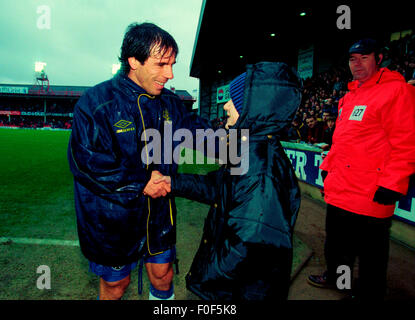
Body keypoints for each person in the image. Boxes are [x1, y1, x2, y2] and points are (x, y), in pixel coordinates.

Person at [68, 22, 212, 300]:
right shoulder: (96, 103)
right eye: (161, 64)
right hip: (113, 218)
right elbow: (87, 163)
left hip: (159, 213)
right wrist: (142, 181)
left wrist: (242, 140)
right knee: (115, 286)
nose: (169, 74)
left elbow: (198, 132)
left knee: (163, 275)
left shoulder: (170, 103)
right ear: (134, 61)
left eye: (172, 64)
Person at [146, 62, 303, 300]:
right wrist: (172, 182)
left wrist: (206, 279)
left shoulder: (260, 168)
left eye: (234, 101)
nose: (226, 106)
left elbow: (250, 246)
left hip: (230, 292)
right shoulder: (252, 148)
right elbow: (218, 188)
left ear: (253, 107)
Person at [307, 38, 415, 300]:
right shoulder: (349, 96)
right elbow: (341, 141)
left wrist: (392, 183)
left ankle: (370, 293)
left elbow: (407, 143)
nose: (357, 64)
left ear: (379, 59)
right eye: (352, 59)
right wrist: (327, 167)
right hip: (341, 188)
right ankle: (336, 278)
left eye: (364, 57)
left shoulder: (397, 91)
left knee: (372, 253)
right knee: (337, 244)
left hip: (371, 192)